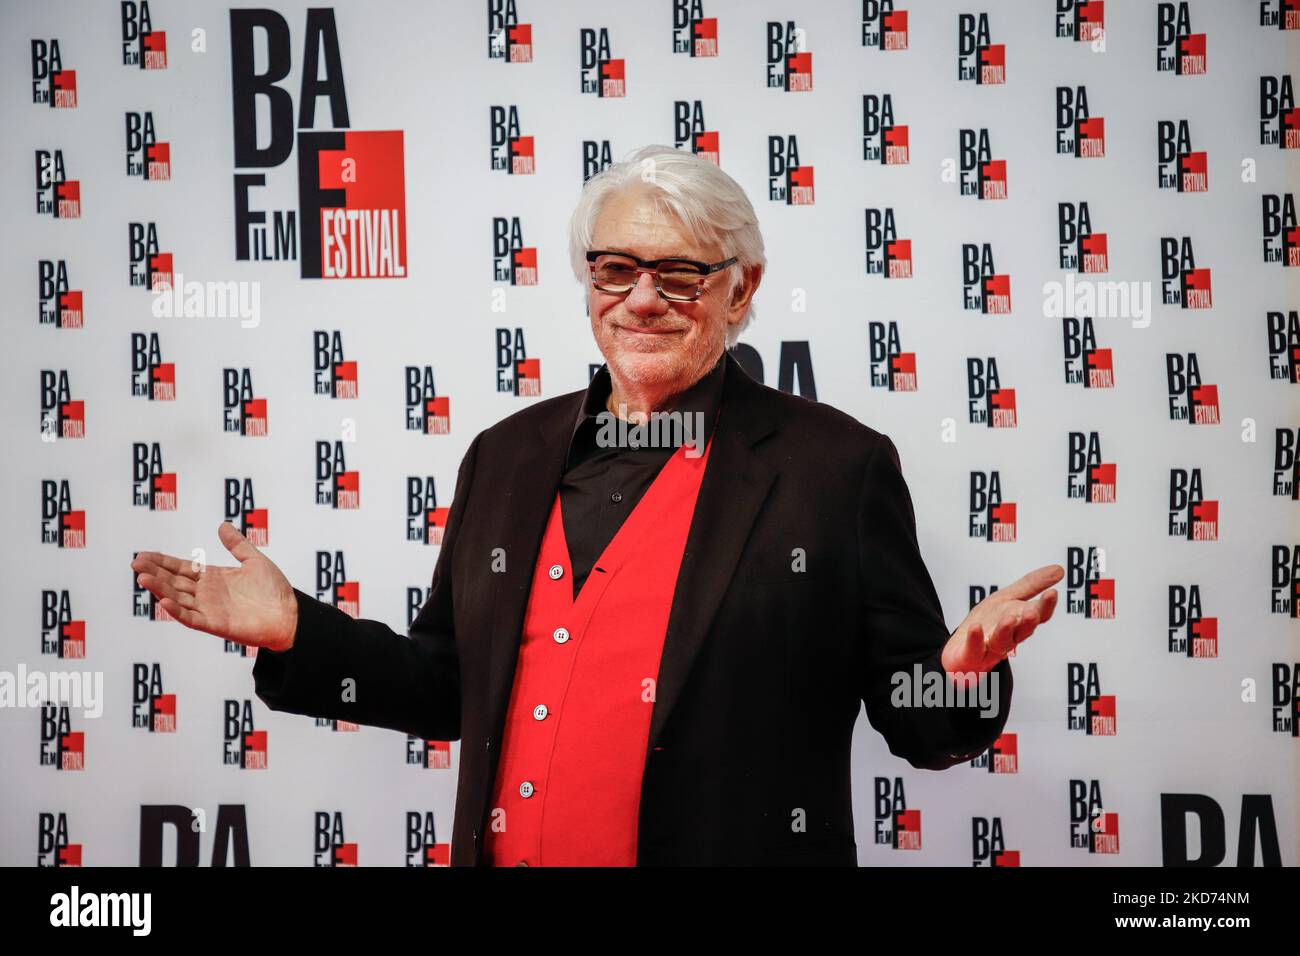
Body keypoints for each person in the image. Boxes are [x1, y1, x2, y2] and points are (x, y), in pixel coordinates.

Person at [132, 144, 1062, 866]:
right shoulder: (505, 456)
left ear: (743, 291)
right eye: (616, 270)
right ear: (588, 283)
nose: (643, 299)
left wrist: (957, 675)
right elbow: (453, 684)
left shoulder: (836, 468)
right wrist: (302, 631)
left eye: (682, 274)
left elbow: (923, 727)